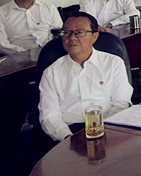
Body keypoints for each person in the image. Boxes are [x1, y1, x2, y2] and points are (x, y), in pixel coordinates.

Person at [38, 12, 133, 141]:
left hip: (109, 127)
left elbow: (121, 103)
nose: (72, 37)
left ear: (94, 36)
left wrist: (107, 131)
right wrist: (67, 139)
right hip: (69, 132)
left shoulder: (113, 63)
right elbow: (49, 115)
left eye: (79, 32)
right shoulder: (51, 72)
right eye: (67, 32)